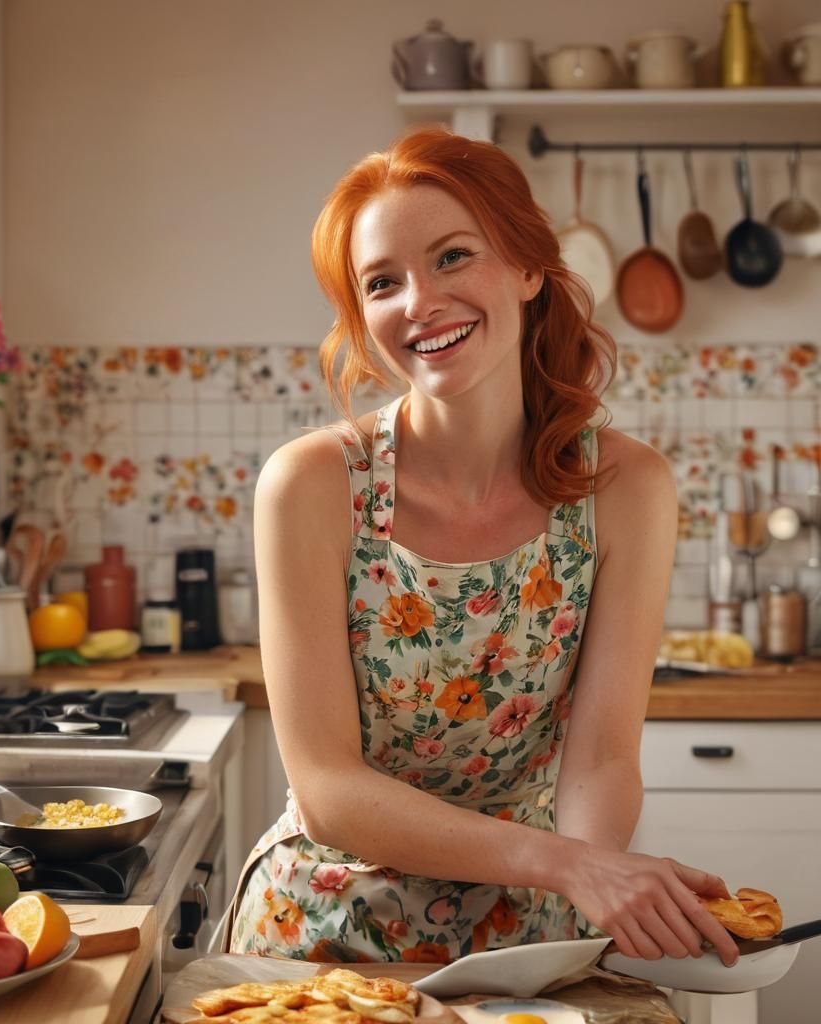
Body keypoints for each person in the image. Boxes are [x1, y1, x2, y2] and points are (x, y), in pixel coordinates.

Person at [227, 126, 740, 968]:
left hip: (531, 932)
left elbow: (604, 758)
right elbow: (328, 790)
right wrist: (575, 866)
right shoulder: (312, 485)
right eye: (382, 283)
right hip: (326, 934)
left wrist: (596, 879)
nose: (419, 301)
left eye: (453, 257)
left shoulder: (627, 488)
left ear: (529, 268)